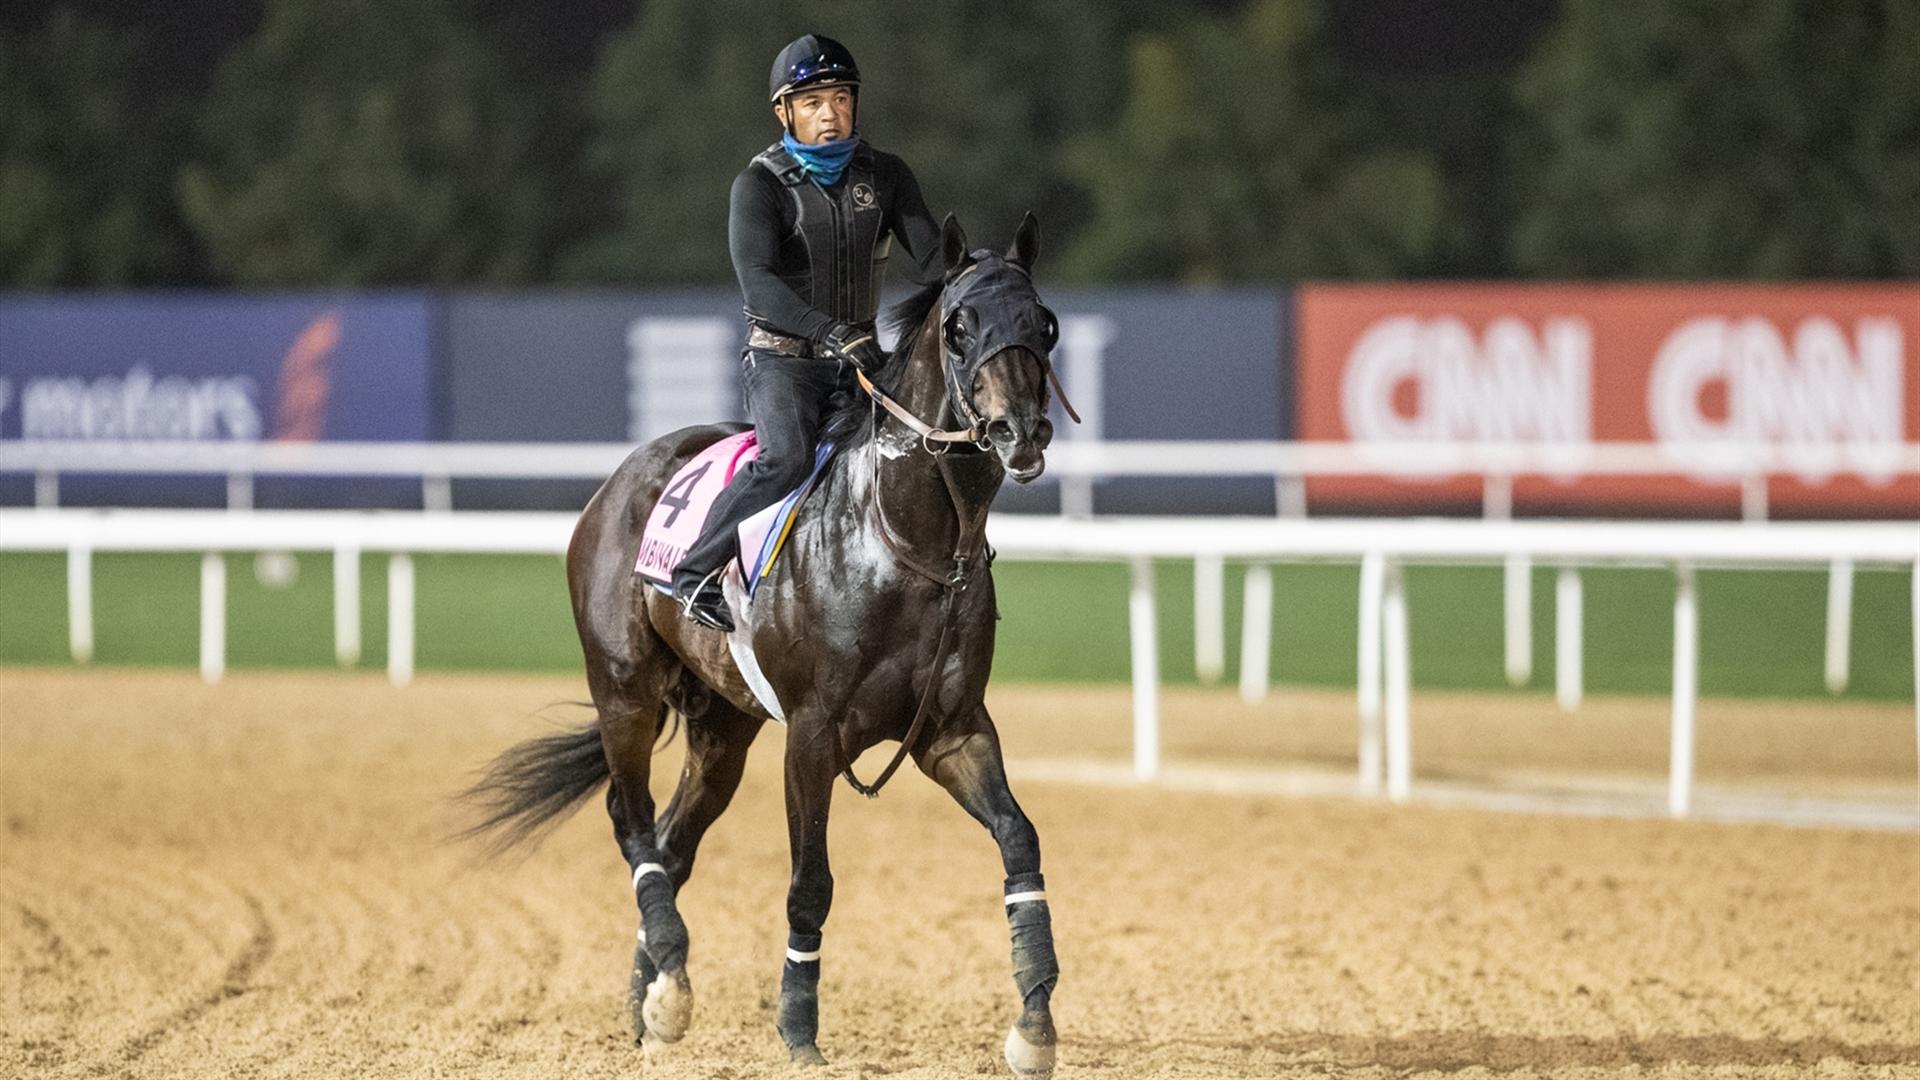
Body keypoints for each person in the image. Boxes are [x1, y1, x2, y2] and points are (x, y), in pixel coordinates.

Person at [670, 33, 946, 632]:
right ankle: (694, 574)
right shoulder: (759, 185)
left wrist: (983, 275)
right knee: (788, 460)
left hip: (860, 364)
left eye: (841, 99)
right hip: (783, 363)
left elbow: (934, 263)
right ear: (785, 112)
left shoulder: (888, 175)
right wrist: (827, 332)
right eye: (815, 101)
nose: (831, 113)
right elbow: (758, 284)